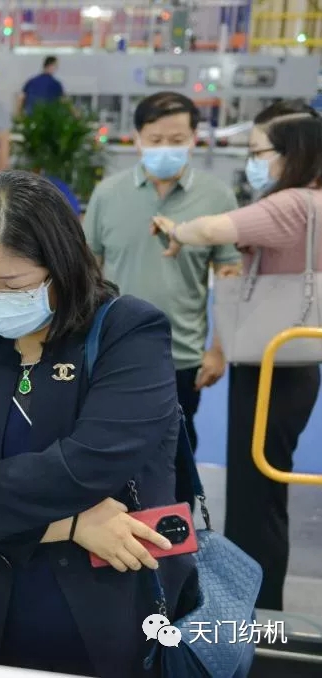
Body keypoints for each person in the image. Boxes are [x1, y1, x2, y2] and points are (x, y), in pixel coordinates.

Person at [0, 170, 197, 676]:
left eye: (13, 284)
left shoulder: (127, 331)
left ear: (61, 268)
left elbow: (86, 466)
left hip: (111, 600)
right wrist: (72, 524)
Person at [151, 111, 322, 611]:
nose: (252, 162)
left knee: (255, 496)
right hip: (290, 362)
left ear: (291, 155)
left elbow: (213, 228)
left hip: (273, 365)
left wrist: (178, 230)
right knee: (261, 490)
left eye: (258, 152)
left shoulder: (293, 203)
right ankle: (257, 604)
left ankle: (255, 609)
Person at [83, 92, 242, 453]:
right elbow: (87, 271)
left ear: (194, 139)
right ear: (137, 139)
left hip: (182, 353)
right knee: (111, 447)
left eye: (177, 139)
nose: (165, 148)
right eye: (155, 140)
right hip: (113, 349)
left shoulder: (217, 197)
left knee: (177, 449)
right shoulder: (107, 194)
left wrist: (219, 349)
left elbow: (229, 277)